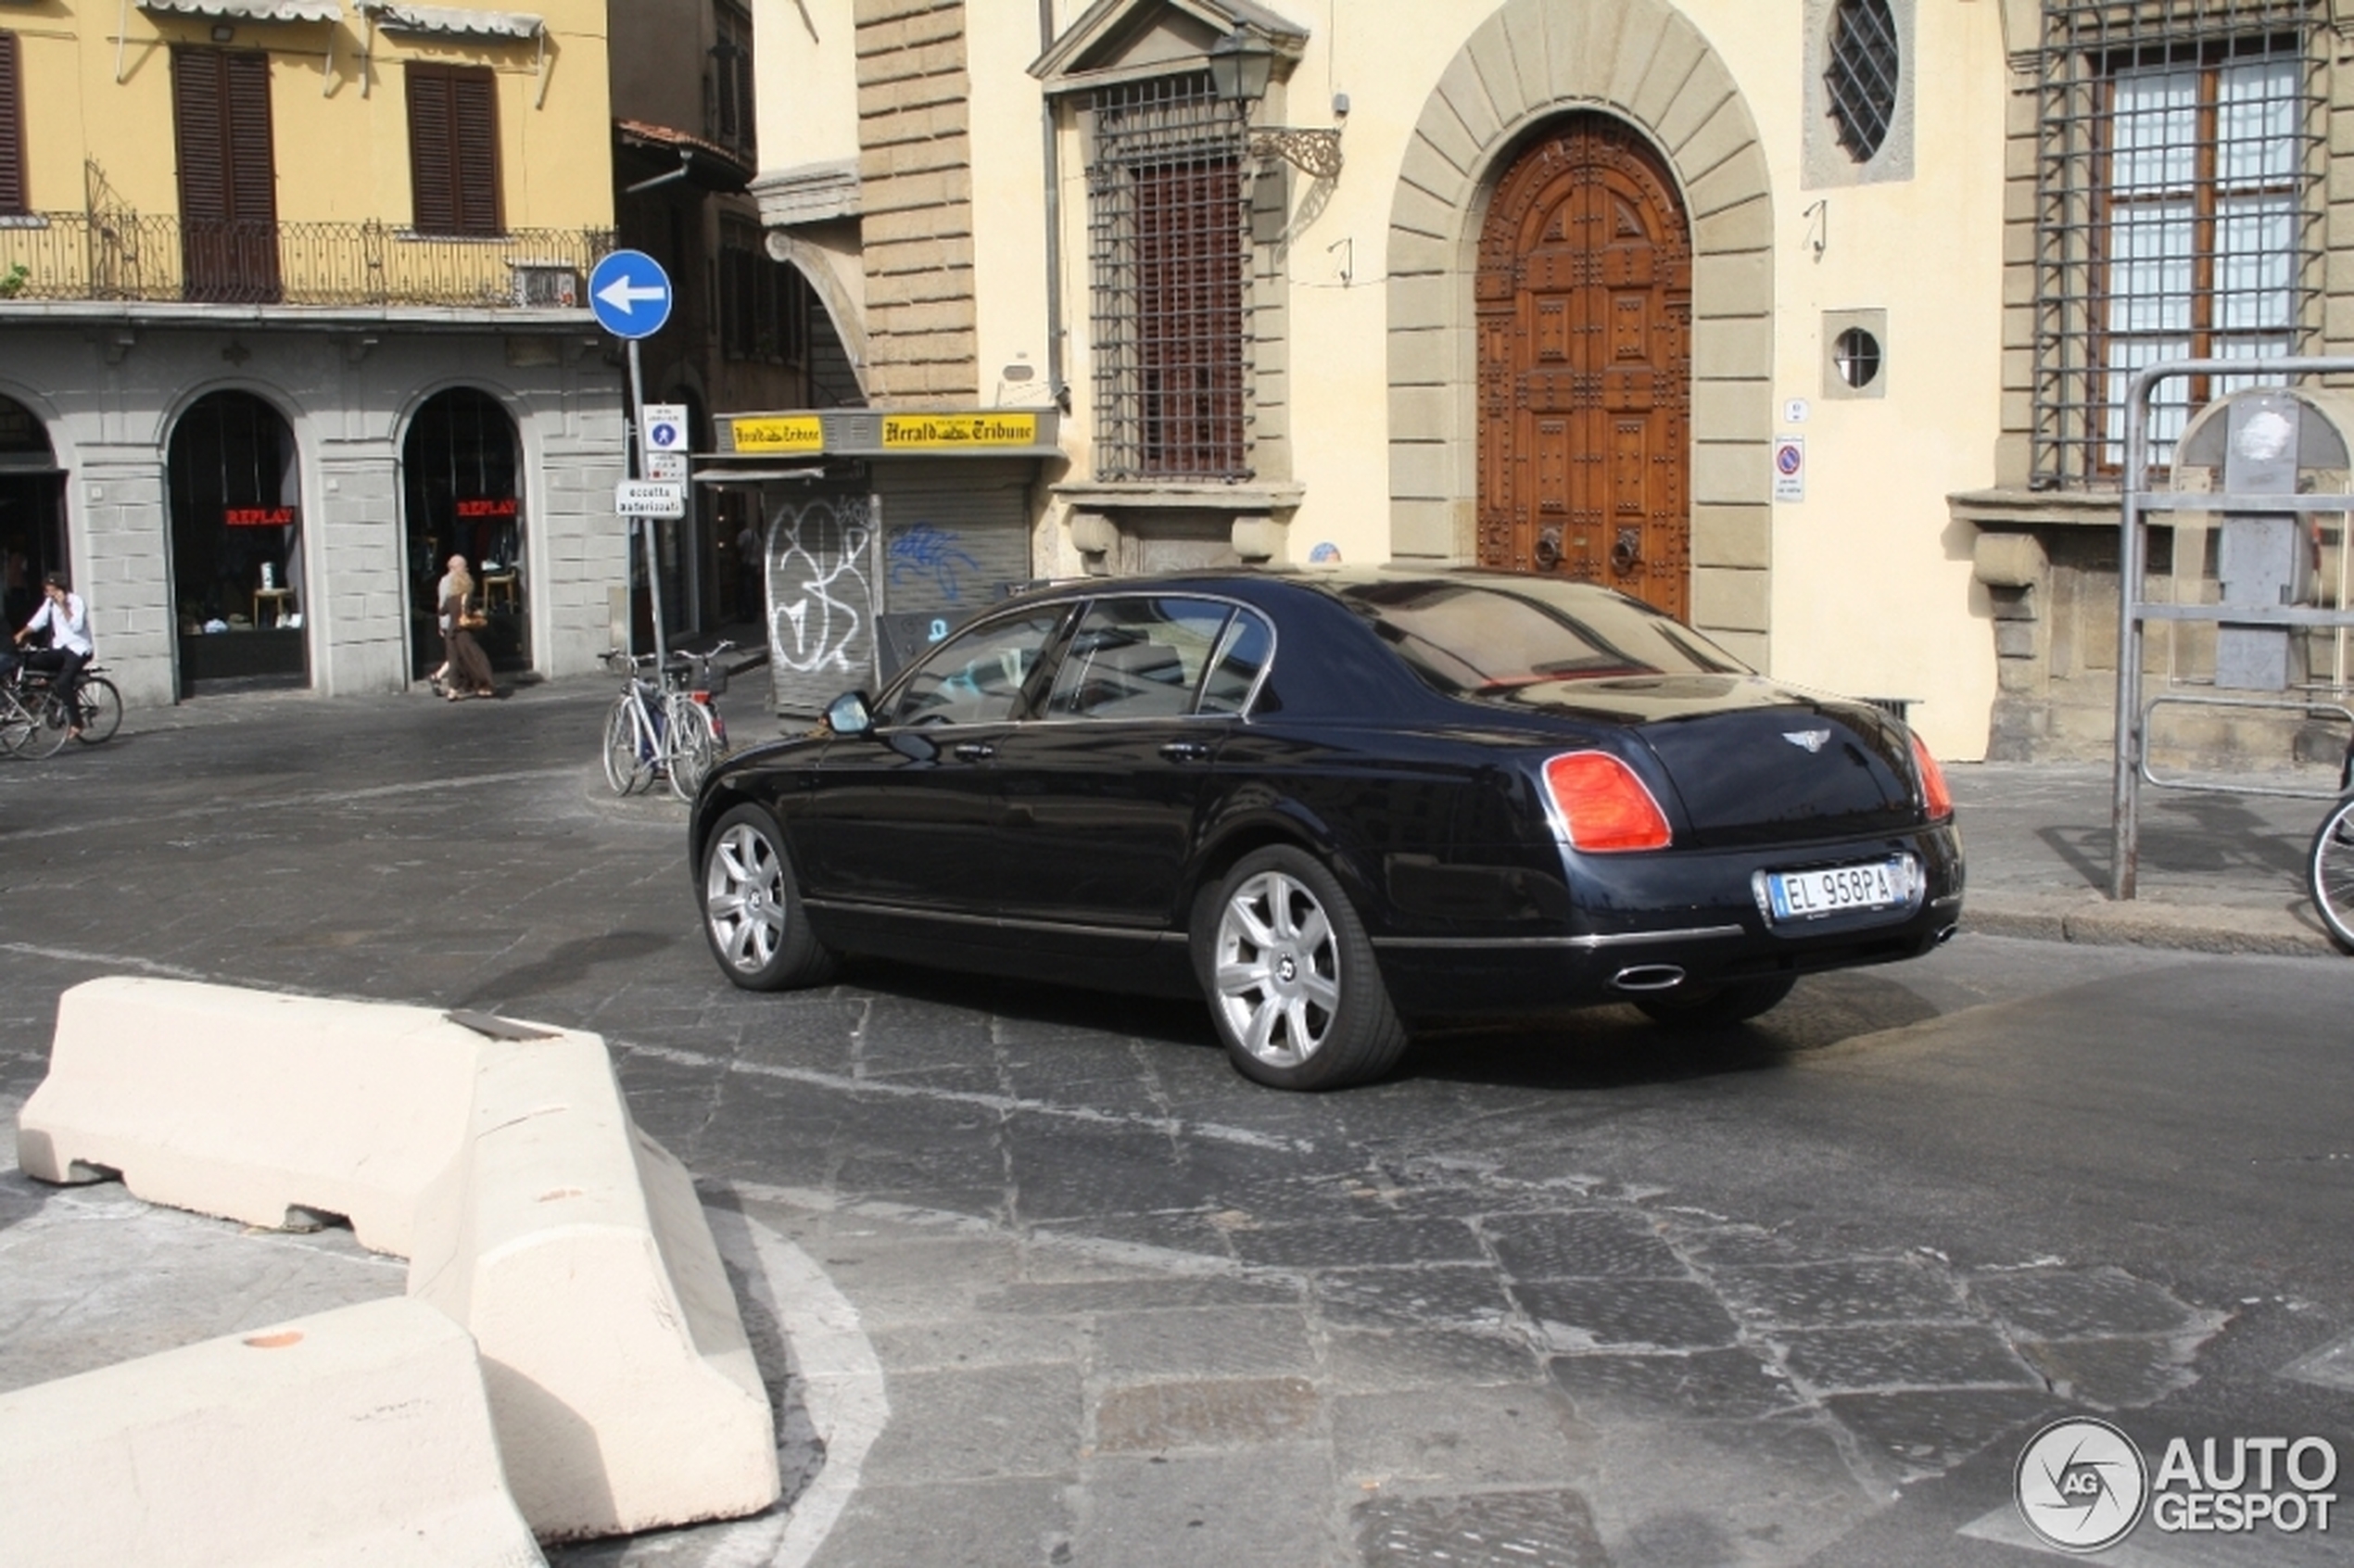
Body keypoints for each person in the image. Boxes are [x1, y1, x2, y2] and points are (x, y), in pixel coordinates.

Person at [14, 571, 93, 738]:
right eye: (47, 591)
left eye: (50, 590)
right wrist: (22, 633)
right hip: (60, 649)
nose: (48, 594)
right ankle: (52, 699)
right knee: (33, 661)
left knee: (64, 682)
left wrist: (64, 606)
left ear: (61, 590)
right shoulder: (49, 604)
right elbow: (37, 622)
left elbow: (76, 626)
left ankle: (77, 723)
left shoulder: (76, 602)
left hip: (78, 650)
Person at [440, 557, 495, 701]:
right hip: (463, 632)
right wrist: (478, 613)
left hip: (451, 632)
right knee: (477, 658)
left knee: (454, 662)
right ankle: (485, 685)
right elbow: (468, 611)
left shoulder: (450, 598)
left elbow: (442, 611)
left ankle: (453, 691)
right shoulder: (466, 596)